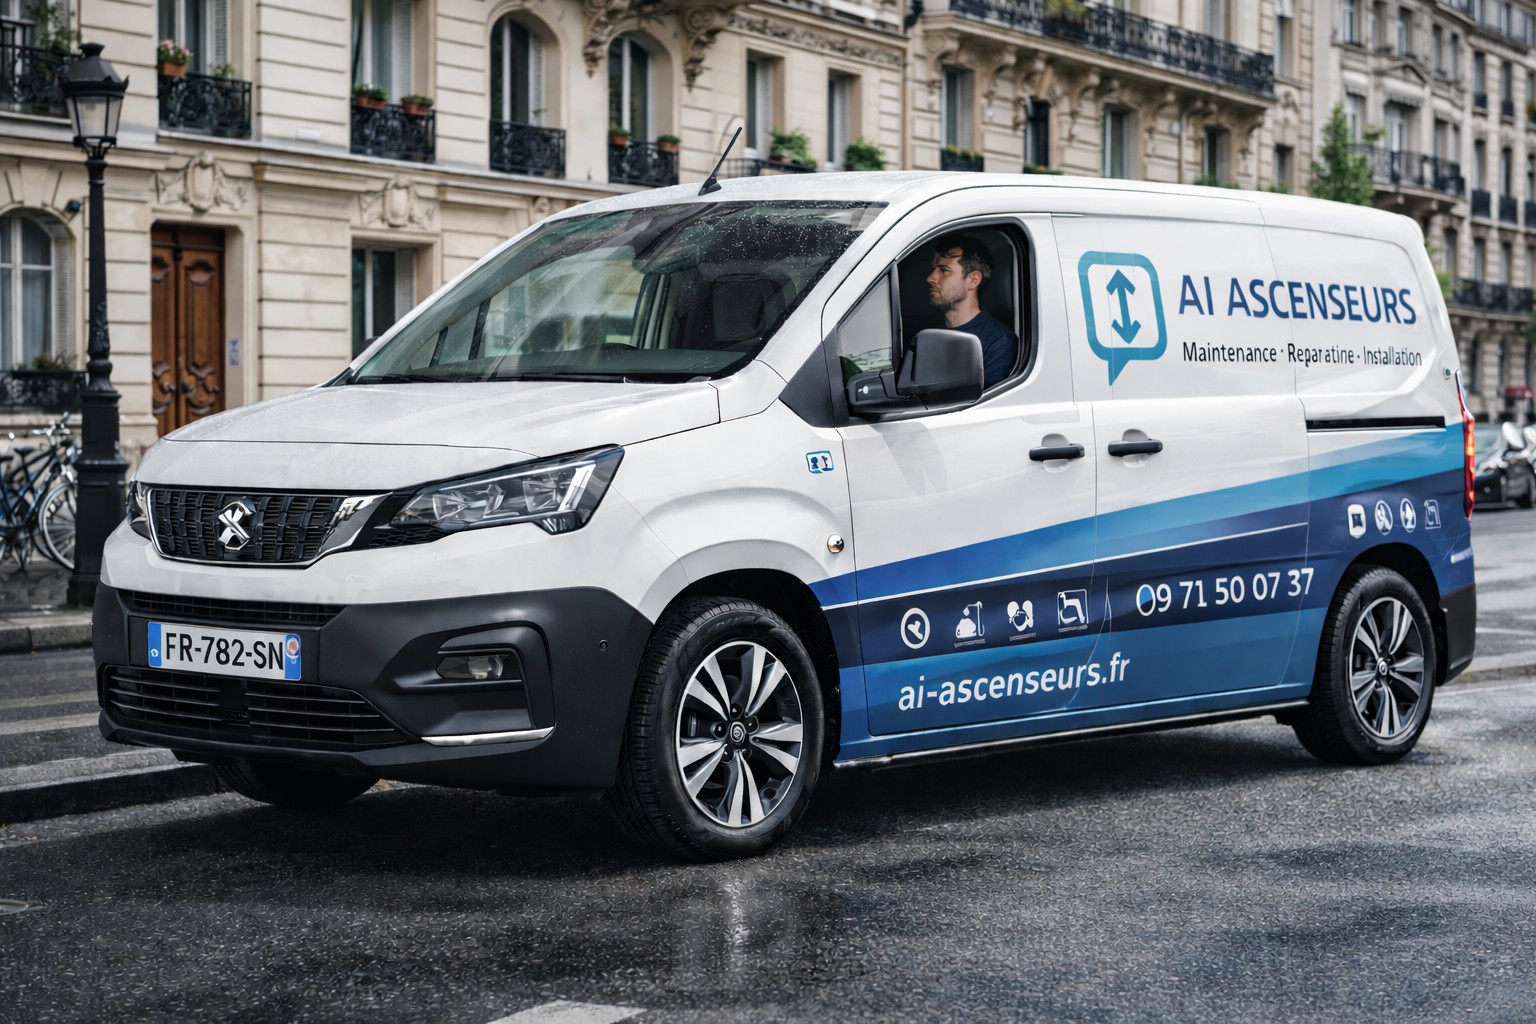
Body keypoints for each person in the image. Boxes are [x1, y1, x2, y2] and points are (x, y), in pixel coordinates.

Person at [923, 234, 1018, 388]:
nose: (931, 278)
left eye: (943, 270)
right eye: (933, 269)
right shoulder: (928, 332)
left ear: (973, 280)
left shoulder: (999, 341)